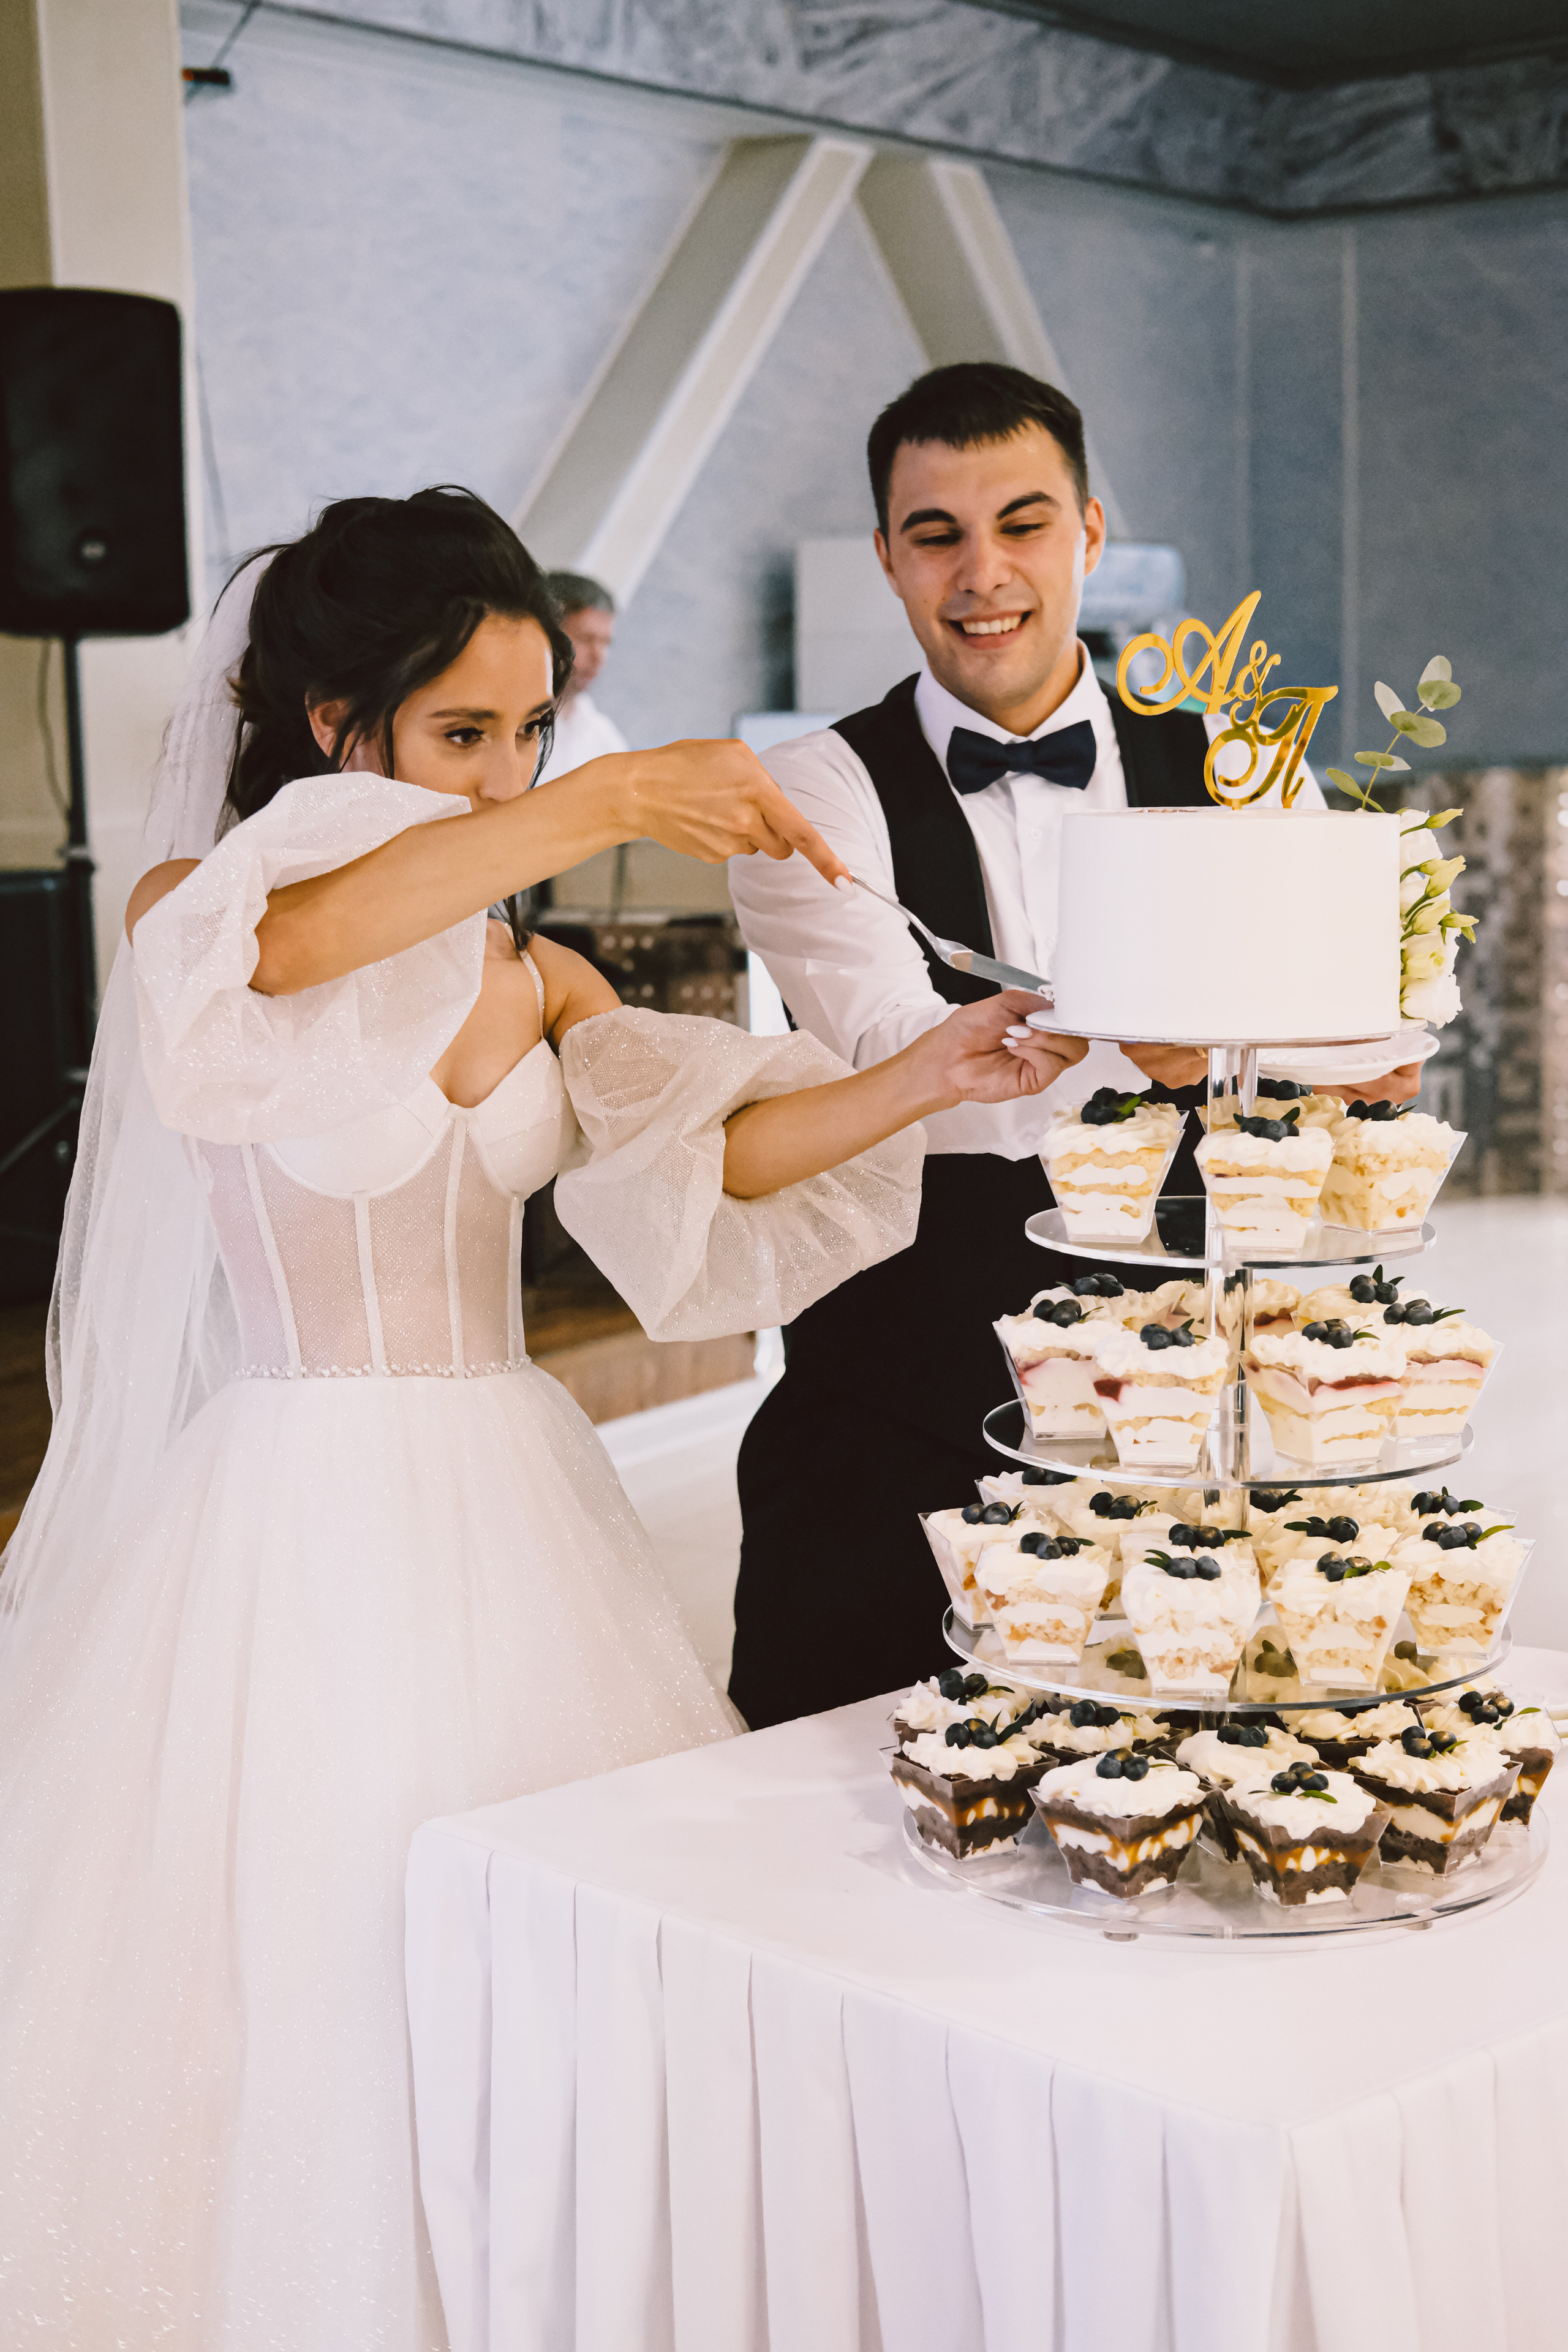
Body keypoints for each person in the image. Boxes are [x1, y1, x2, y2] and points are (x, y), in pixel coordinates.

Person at [0, 486, 1082, 2348]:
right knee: (305, 1948)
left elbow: (717, 1148)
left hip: (508, 1486)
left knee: (567, 1937)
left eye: (527, 729)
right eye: (461, 731)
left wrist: (924, 1072)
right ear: (334, 724)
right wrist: (601, 795)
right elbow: (283, 959)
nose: (504, 774)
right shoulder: (203, 913)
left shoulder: (530, 966)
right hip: (289, 1513)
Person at [728, 362, 1420, 1730]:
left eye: (1023, 523)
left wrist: (1279, 1043)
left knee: (1178, 1767)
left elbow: (1371, 1034)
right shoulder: (811, 789)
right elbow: (897, 1052)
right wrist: (1206, 1034)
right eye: (936, 534)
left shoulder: (1242, 762)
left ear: (1089, 533)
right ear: (887, 558)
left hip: (1190, 1391)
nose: (982, 573)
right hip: (895, 1390)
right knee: (841, 1777)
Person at [535, 568, 626, 780]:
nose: (599, 656)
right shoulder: (506, 723)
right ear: (544, 636)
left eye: (605, 642)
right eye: (585, 639)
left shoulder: (604, 741)